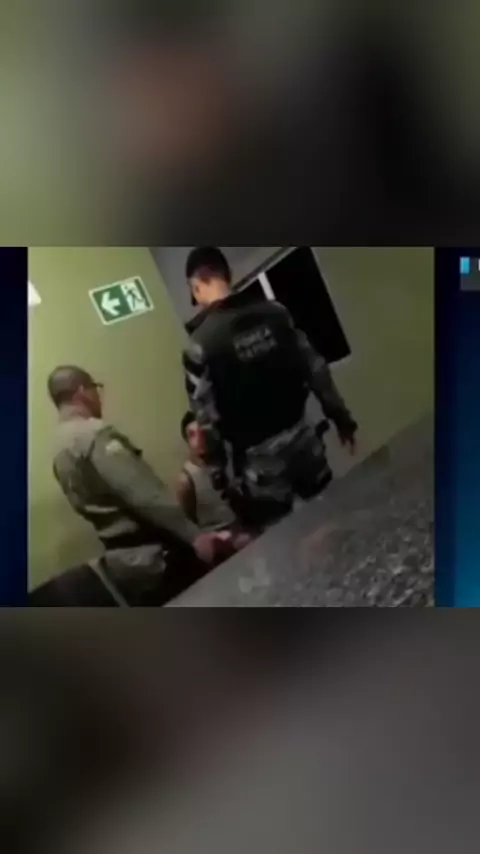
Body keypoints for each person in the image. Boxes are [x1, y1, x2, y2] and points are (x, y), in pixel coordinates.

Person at [182, 247, 358, 525]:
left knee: (284, 537)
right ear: (228, 274)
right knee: (334, 515)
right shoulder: (276, 313)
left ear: (196, 286)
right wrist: (341, 418)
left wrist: (219, 477)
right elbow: (316, 369)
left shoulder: (199, 345)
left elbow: (206, 421)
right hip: (303, 437)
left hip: (259, 461)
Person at [47, 365, 228, 605]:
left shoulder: (58, 451)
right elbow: (144, 495)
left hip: (123, 567)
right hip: (155, 557)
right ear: (82, 391)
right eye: (96, 388)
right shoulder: (94, 435)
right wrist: (195, 536)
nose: (99, 397)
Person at [176, 412, 252, 549]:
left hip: (244, 533)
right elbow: (189, 526)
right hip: (220, 546)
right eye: (192, 435)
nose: (199, 439)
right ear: (187, 441)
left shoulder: (224, 460)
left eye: (202, 433)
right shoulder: (186, 480)